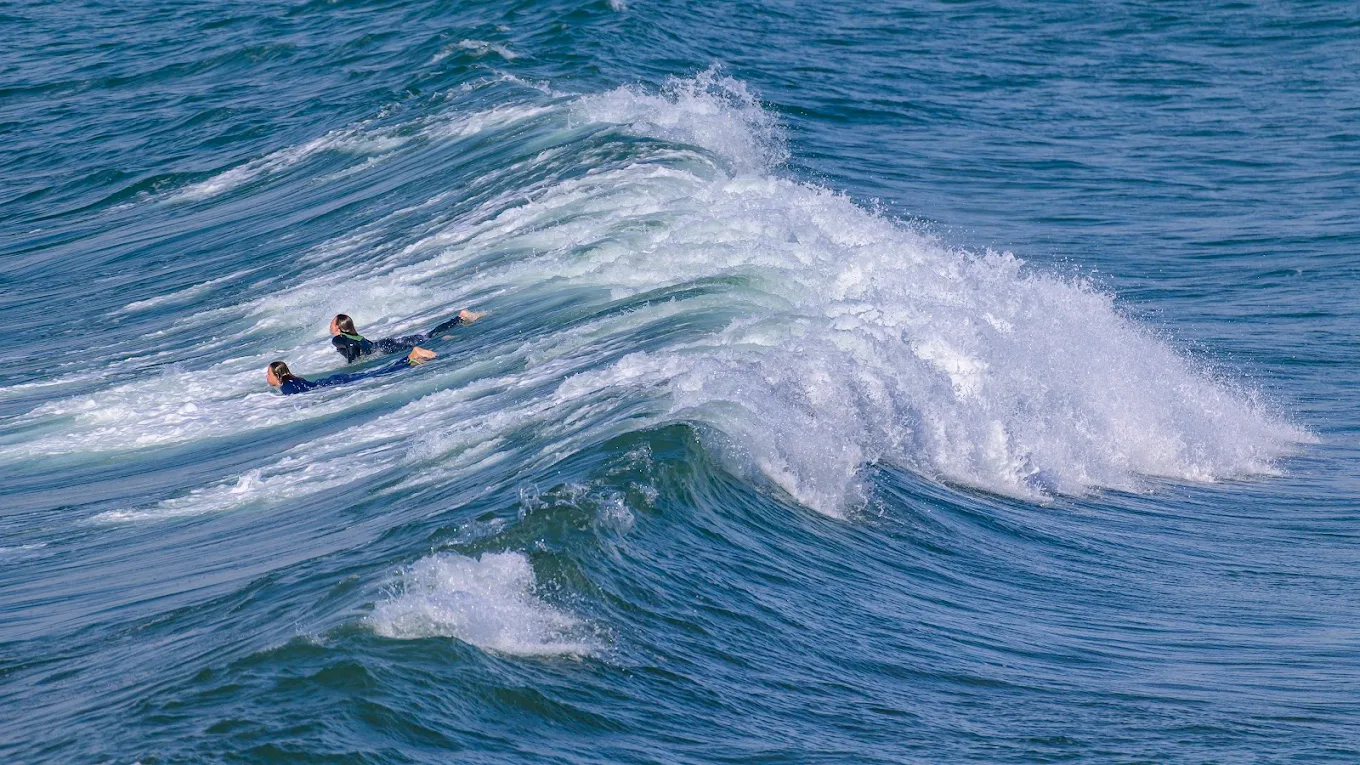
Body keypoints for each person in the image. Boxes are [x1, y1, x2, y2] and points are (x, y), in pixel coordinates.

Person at [329, 309, 483, 364]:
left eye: (332, 322)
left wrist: (353, 364)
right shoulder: (354, 336)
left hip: (386, 348)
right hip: (386, 344)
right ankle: (458, 320)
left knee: (430, 337)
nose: (330, 325)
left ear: (337, 327)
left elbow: (351, 347)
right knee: (428, 336)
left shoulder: (338, 338)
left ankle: (459, 319)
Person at [266, 347, 436, 395]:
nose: (267, 377)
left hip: (334, 383)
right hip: (334, 380)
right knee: (377, 373)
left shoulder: (287, 386)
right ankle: (411, 359)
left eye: (268, 373)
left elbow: (305, 394)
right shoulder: (292, 380)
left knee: (378, 374)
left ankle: (410, 358)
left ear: (277, 375)